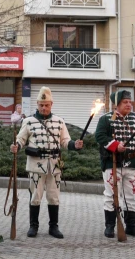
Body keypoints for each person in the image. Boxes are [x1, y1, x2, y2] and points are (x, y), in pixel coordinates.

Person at [10, 87, 83, 239]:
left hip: (54, 165)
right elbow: (21, 139)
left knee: (53, 196)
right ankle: (33, 226)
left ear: (51, 104)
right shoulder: (28, 122)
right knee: (35, 196)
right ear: (37, 104)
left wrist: (73, 145)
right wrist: (16, 146)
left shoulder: (59, 122)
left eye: (46, 105)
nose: (44, 108)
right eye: (41, 105)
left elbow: (65, 141)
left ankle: (53, 227)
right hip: (36, 165)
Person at [94, 90, 135, 239]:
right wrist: (115, 145)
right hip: (113, 163)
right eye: (125, 102)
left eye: (130, 101)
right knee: (111, 195)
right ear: (117, 104)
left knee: (132, 196)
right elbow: (100, 136)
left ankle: (131, 226)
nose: (129, 104)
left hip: (134, 163)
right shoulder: (106, 119)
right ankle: (110, 226)